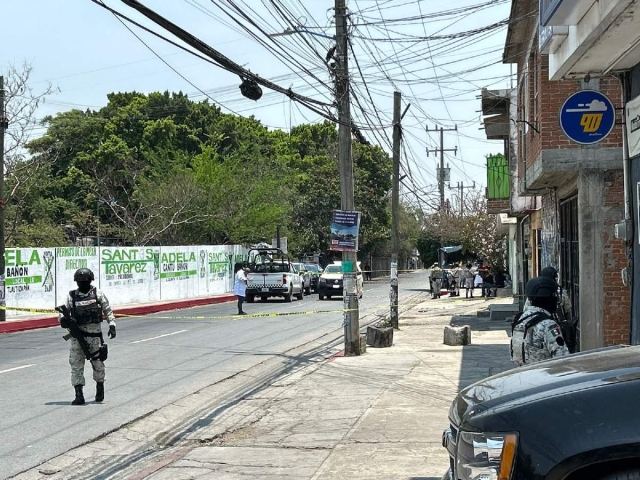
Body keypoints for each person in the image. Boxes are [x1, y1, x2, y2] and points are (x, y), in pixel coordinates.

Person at [59, 268, 116, 405]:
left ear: (90, 281)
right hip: (77, 336)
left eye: (84, 281)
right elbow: (62, 312)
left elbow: (107, 310)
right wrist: (63, 320)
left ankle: (100, 387)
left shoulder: (98, 294)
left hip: (94, 336)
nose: (82, 284)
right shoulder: (71, 296)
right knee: (76, 364)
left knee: (98, 363)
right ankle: (79, 394)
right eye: (79, 282)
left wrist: (112, 325)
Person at [510, 276, 569, 366]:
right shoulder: (548, 325)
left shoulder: (520, 319)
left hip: (521, 373)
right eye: (553, 295)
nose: (556, 299)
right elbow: (562, 358)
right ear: (547, 298)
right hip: (544, 375)